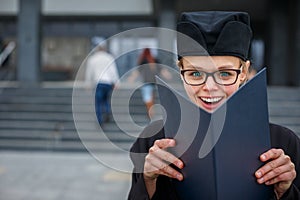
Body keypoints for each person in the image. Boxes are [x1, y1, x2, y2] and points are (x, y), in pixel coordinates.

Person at [128, 11, 300, 199]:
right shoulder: (152, 141)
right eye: (195, 74)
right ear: (180, 71)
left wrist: (285, 191)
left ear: (243, 72)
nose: (209, 88)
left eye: (225, 74)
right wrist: (148, 180)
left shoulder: (283, 143)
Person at [85, 38, 119, 124]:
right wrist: (116, 82)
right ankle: (107, 111)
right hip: (107, 83)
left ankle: (100, 121)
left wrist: (88, 83)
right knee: (106, 100)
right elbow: (113, 71)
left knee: (98, 103)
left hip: (98, 83)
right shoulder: (109, 57)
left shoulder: (92, 59)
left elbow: (89, 72)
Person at [129, 48, 171, 118]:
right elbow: (162, 70)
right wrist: (168, 76)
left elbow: (137, 72)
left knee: (148, 98)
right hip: (154, 82)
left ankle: (151, 113)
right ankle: (151, 112)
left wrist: (131, 79)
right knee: (151, 98)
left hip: (146, 82)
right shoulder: (155, 60)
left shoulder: (143, 60)